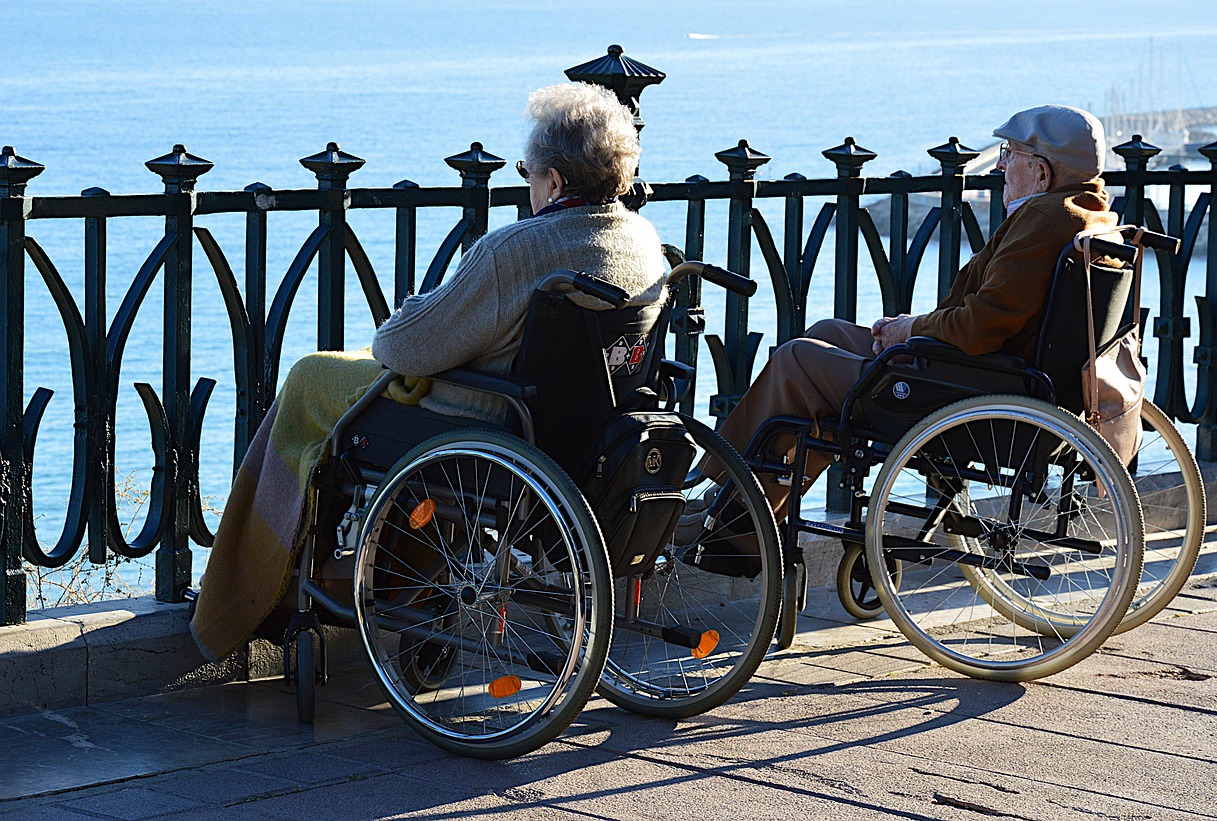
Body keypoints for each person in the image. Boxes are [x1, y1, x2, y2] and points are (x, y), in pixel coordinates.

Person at [191, 82, 667, 662]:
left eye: (529, 173)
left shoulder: (520, 249)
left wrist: (419, 307)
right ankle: (376, 582)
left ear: (557, 181)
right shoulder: (643, 241)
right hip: (582, 434)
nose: (528, 185)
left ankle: (245, 592)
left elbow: (403, 347)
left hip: (490, 421)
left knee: (312, 377)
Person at [706, 104, 1120, 522]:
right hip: (996, 376)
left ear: (1042, 173)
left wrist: (910, 329)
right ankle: (747, 505)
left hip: (975, 387)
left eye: (1009, 154)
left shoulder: (1043, 223)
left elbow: (981, 326)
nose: (1000, 166)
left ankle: (729, 507)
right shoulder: (1087, 214)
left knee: (798, 359)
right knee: (827, 333)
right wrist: (911, 331)